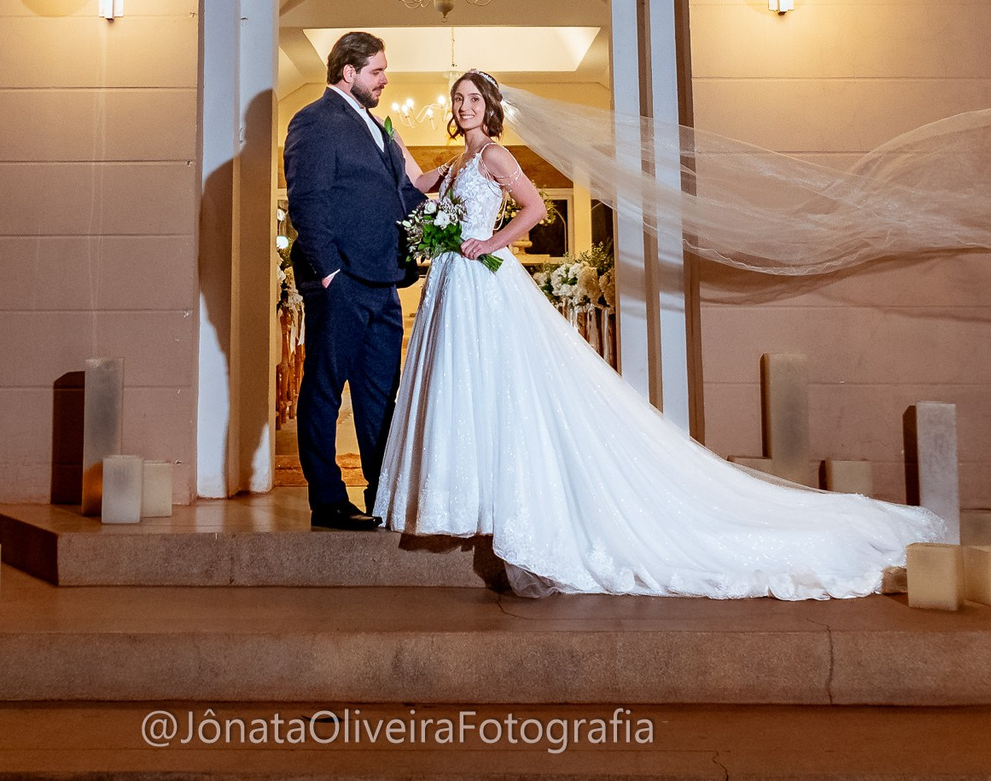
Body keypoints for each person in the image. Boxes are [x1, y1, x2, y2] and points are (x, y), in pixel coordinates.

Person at [373, 69, 945, 596]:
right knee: (464, 385)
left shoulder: (496, 155)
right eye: (458, 99)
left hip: (482, 278)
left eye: (474, 99)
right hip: (454, 284)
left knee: (501, 383)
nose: (464, 106)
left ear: (490, 107)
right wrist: (389, 134)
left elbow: (534, 210)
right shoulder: (456, 163)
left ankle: (503, 502)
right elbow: (419, 181)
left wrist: (489, 242)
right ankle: (468, 499)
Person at [280, 31, 441, 530]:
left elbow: (402, 195)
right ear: (348, 73)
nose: (385, 79)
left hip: (383, 281)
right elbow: (307, 201)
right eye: (377, 71)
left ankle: (381, 494)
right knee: (324, 390)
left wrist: (453, 198)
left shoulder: (378, 127)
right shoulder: (313, 121)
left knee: (380, 394)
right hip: (342, 281)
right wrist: (330, 273)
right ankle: (328, 501)